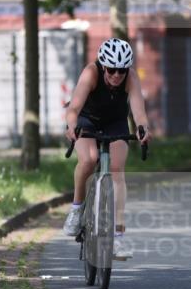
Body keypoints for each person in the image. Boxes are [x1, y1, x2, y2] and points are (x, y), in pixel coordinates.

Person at [62, 38, 151, 260]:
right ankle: (76, 208)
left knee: (117, 169)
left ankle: (118, 238)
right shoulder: (91, 73)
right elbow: (73, 107)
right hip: (87, 120)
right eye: (111, 70)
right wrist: (72, 125)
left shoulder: (130, 77)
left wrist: (142, 128)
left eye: (121, 71)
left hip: (115, 122)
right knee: (89, 159)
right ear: (103, 66)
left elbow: (139, 111)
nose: (116, 76)